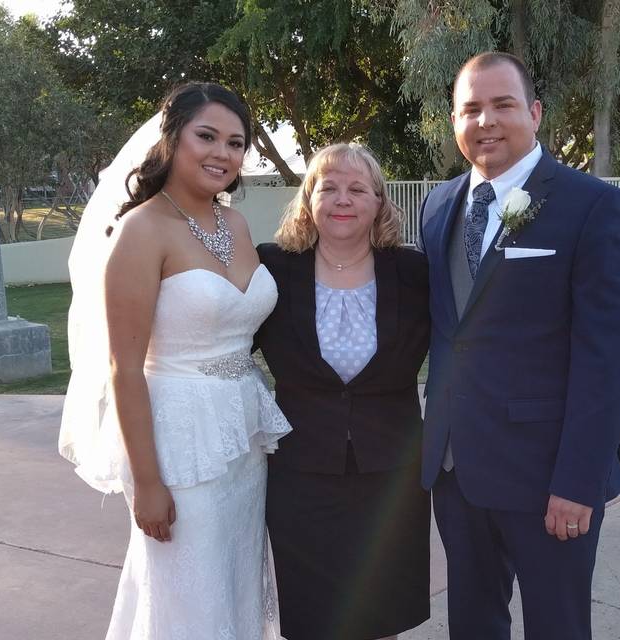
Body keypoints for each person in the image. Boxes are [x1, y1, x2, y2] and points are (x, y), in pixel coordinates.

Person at [416, 52, 620, 639]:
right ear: (454, 122)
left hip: (548, 477)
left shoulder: (591, 206)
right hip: (456, 469)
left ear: (535, 113)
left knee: (557, 625)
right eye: (471, 109)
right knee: (471, 621)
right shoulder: (438, 206)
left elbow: (609, 360)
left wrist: (577, 482)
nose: (486, 120)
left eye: (502, 105)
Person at [58, 82, 291, 639]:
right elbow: (124, 367)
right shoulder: (140, 231)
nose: (222, 153)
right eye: (206, 136)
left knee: (233, 578)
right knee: (186, 592)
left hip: (242, 432)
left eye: (236, 143)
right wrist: (148, 481)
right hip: (179, 440)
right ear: (172, 138)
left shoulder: (233, 223)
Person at [254, 143, 431, 640]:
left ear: (379, 202)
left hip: (391, 472)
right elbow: (223, 341)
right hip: (300, 471)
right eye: (327, 188)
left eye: (357, 188)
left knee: (381, 605)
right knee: (310, 611)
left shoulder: (415, 273)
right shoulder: (272, 268)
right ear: (308, 200)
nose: (342, 199)